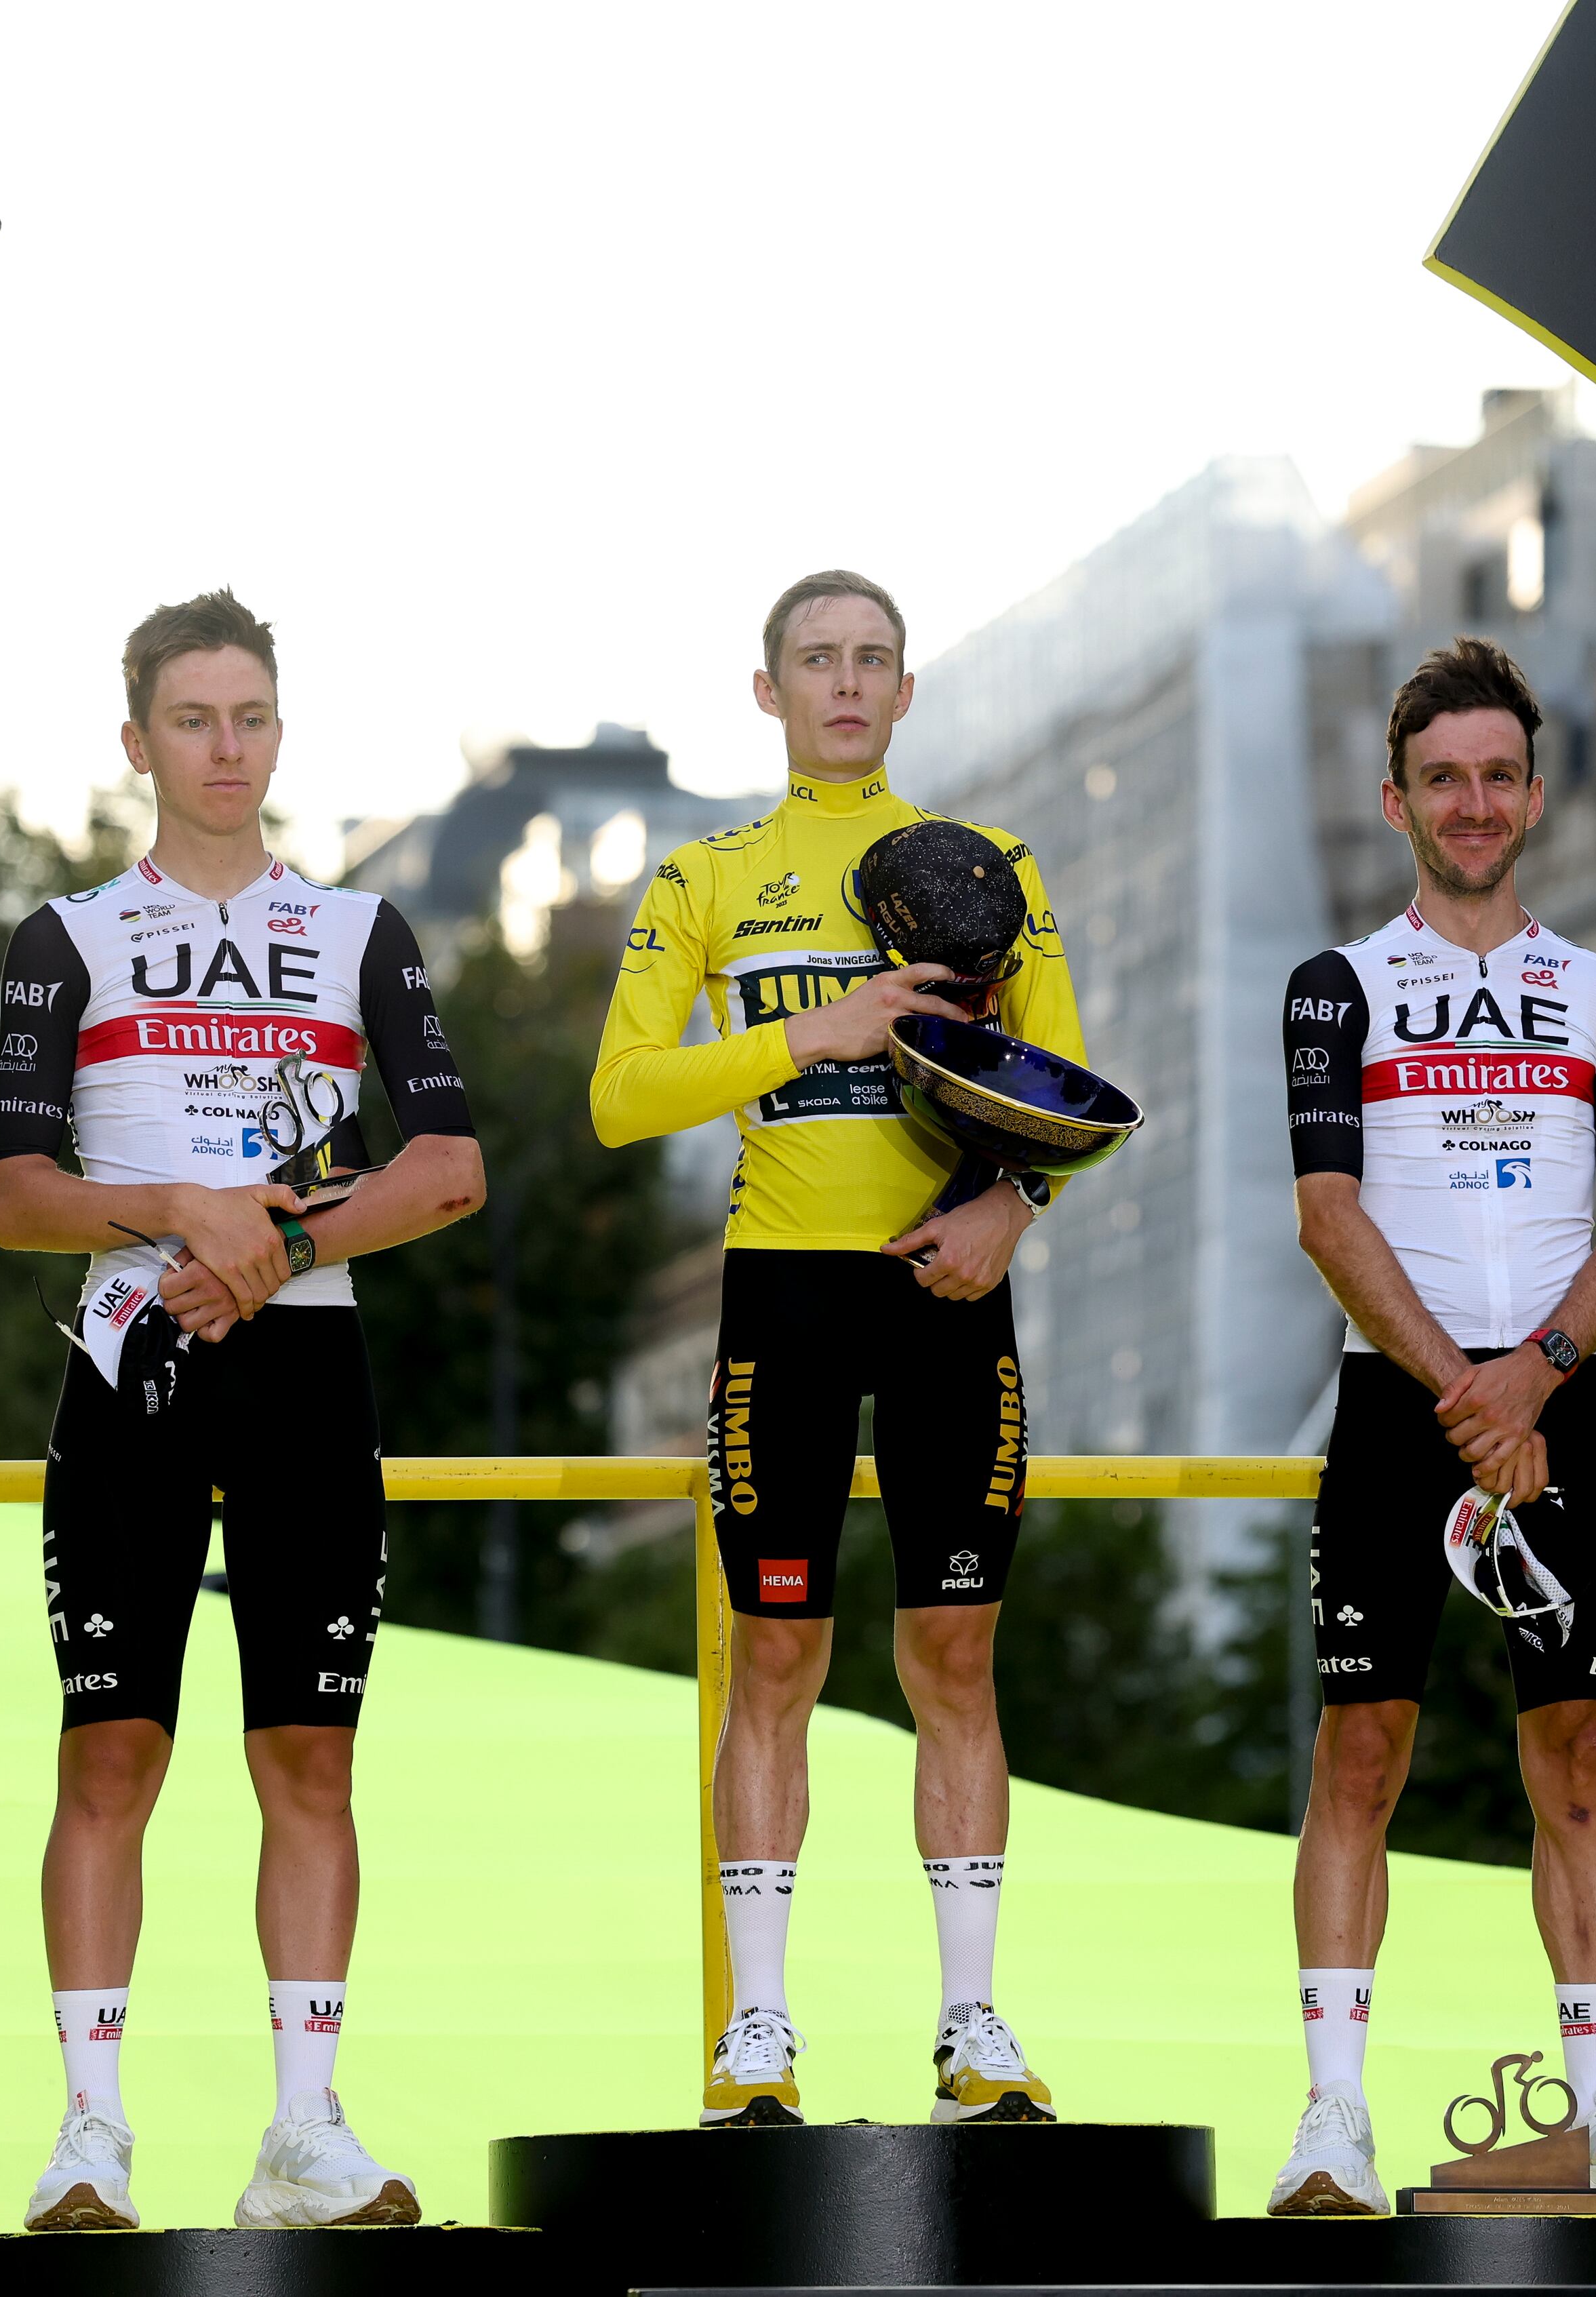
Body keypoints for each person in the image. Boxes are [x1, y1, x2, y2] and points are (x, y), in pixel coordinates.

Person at [0, 590, 485, 2233]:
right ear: (137, 741)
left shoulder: (359, 934)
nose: (224, 746)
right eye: (192, 719)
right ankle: (88, 2131)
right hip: (134, 1354)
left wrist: (276, 1241)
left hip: (304, 1362)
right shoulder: (65, 935)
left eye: (250, 715)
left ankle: (304, 2132)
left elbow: (448, 1167)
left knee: (311, 1758)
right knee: (110, 1747)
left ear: (280, 730)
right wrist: (176, 1208)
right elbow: (16, 1194)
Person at [592, 570, 1081, 2128]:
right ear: (768, 690)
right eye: (818, 659)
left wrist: (1013, 1200)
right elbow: (621, 1094)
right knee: (777, 1656)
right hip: (786, 1293)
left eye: (874, 659)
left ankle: (974, 2024)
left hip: (946, 1289)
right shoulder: (706, 877)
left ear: (907, 688)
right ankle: (758, 2035)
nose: (848, 684)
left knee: (954, 1653)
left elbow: (1068, 1082)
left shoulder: (990, 864)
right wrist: (818, 1028)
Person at [1263, 637, 1596, 2217]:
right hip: (1404, 1402)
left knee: (1580, 1757)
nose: (1472, 802)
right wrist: (1469, 1398)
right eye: (1442, 777)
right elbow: (1329, 1215)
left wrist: (1530, 1375)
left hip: (1557, 1393)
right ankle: (1333, 2116)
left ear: (1535, 791)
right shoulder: (1337, 986)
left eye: (1497, 775)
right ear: (1395, 797)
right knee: (1361, 1749)